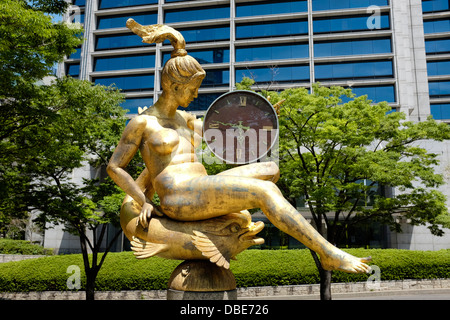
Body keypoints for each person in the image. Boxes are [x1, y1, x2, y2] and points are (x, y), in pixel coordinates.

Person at [107, 20, 371, 274]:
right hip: (178, 196)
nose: (196, 95)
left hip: (200, 185)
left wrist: (261, 117)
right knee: (265, 191)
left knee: (270, 169)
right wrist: (143, 201)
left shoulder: (185, 119)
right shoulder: (143, 122)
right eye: (193, 89)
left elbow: (226, 135)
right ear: (175, 86)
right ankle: (328, 253)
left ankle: (237, 217)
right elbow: (114, 167)